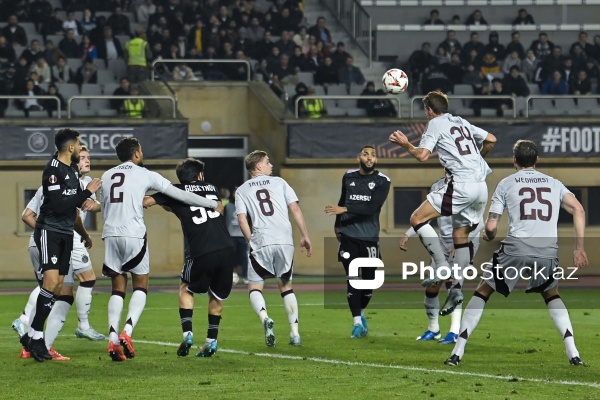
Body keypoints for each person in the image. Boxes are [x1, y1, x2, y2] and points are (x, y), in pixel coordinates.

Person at [445, 140, 588, 367]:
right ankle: (573, 353)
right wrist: (579, 248)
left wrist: (488, 236)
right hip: (547, 251)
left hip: (516, 249)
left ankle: (457, 351)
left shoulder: (505, 184)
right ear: (537, 160)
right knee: (552, 294)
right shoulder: (555, 183)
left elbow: (491, 226)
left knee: (483, 291)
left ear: (514, 160)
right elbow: (579, 209)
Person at [100, 137, 224, 362]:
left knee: (117, 288)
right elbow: (182, 195)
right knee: (141, 285)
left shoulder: (107, 176)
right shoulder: (145, 173)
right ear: (136, 153)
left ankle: (112, 339)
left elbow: (105, 206)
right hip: (133, 234)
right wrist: (210, 203)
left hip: (109, 234)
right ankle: (126, 332)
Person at [389, 91, 497, 316]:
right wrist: (475, 158)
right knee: (460, 236)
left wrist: (406, 144)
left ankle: (441, 266)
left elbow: (422, 156)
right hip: (481, 186)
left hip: (461, 184)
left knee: (417, 218)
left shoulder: (435, 124)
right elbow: (491, 139)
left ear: (429, 110)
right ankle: (456, 289)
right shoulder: (462, 122)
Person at [16, 146, 106, 360]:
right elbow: (75, 214)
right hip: (61, 240)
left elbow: (27, 214)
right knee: (70, 288)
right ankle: (49, 338)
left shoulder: (50, 184)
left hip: (41, 242)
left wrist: (41, 232)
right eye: (82, 157)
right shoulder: (71, 184)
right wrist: (81, 232)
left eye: (88, 157)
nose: (86, 161)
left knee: (50, 288)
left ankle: (30, 334)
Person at [143, 158, 235, 358]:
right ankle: (211, 342)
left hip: (201, 249)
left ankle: (188, 334)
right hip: (227, 248)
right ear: (200, 175)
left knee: (186, 286)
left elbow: (146, 202)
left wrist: (162, 199)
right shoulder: (211, 188)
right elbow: (219, 207)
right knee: (217, 295)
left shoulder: (174, 191)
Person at [235, 150, 312, 347]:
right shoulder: (280, 182)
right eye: (267, 162)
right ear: (258, 166)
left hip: (261, 240)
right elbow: (295, 208)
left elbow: (242, 218)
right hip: (284, 240)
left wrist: (249, 240)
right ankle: (295, 333)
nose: (271, 165)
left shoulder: (242, 190)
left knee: (255, 287)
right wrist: (305, 235)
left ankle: (265, 318)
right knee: (286, 287)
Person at [399, 177, 482, 344]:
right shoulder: (437, 185)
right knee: (432, 285)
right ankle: (433, 329)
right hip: (442, 243)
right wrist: (408, 234)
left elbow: (479, 221)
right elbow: (426, 215)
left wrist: (463, 241)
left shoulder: (471, 185)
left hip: (462, 241)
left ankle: (454, 332)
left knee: (453, 285)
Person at [324, 145, 390, 338]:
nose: (369, 158)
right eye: (365, 154)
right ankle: (356, 323)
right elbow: (342, 200)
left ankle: (361, 315)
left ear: (376, 160)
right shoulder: (348, 176)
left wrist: (343, 211)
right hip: (348, 236)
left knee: (368, 283)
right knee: (353, 279)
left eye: (373, 155)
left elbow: (371, 207)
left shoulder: (383, 181)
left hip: (369, 238)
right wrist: (338, 224)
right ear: (358, 158)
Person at [225, 186, 248, 282]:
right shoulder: (228, 206)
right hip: (230, 235)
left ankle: (246, 276)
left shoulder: (246, 205)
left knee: (244, 257)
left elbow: (248, 221)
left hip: (242, 236)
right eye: (235, 192)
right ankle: (228, 276)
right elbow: (224, 220)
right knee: (229, 257)